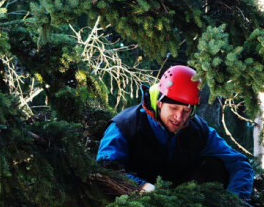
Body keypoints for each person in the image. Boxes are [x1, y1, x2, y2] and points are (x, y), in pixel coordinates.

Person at [97, 65, 254, 198]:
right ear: (159, 103)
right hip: (134, 203)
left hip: (187, 206)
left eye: (186, 110)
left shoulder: (198, 130)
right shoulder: (125, 125)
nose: (179, 117)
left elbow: (240, 164)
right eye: (173, 108)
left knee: (215, 166)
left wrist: (237, 201)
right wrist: (143, 187)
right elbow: (105, 168)